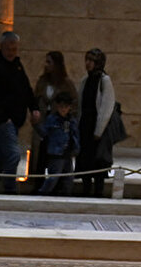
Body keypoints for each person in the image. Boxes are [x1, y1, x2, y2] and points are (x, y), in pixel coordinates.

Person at [0, 30, 34, 193]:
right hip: (2, 120)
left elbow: (25, 88)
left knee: (0, 155)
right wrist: (3, 118)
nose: (12, 52)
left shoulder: (17, 65)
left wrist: (34, 108)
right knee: (13, 154)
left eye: (14, 49)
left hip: (14, 119)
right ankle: (10, 188)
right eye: (9, 49)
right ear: (1, 47)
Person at [29, 51, 76, 192]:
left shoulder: (66, 84)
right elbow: (35, 99)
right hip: (44, 120)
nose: (46, 65)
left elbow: (74, 104)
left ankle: (57, 187)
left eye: (49, 62)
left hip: (59, 124)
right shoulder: (42, 81)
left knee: (57, 157)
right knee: (40, 154)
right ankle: (38, 185)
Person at [76, 47, 116, 199]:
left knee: (98, 160)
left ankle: (98, 191)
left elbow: (106, 106)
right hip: (85, 125)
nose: (88, 63)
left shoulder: (104, 80)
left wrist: (99, 130)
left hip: (98, 127)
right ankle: (86, 189)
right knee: (85, 159)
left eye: (91, 60)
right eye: (87, 60)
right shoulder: (85, 80)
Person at [37, 90, 80, 195]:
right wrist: (36, 125)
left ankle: (65, 194)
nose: (63, 109)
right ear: (57, 106)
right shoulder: (52, 119)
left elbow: (74, 135)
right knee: (53, 177)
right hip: (56, 153)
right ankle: (43, 193)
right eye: (61, 106)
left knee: (68, 177)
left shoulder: (71, 120)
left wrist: (76, 148)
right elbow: (44, 132)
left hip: (67, 153)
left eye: (66, 106)